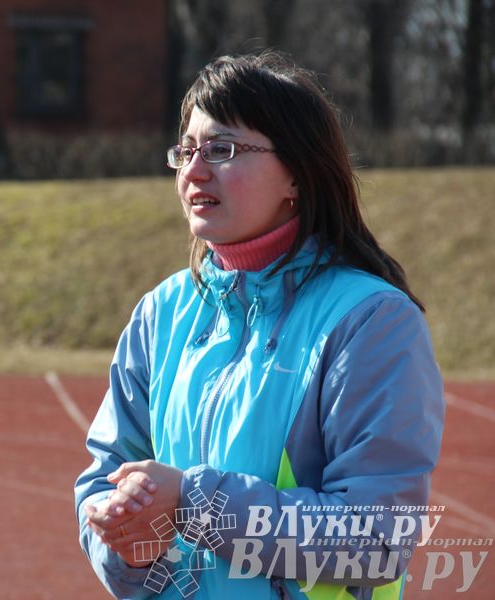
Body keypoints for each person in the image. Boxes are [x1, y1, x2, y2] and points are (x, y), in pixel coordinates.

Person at [74, 52, 444, 599]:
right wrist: (124, 538)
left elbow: (376, 538)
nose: (195, 170)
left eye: (222, 149)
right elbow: (103, 481)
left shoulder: (370, 322)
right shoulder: (162, 312)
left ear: (298, 171)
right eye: (187, 151)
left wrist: (193, 503)